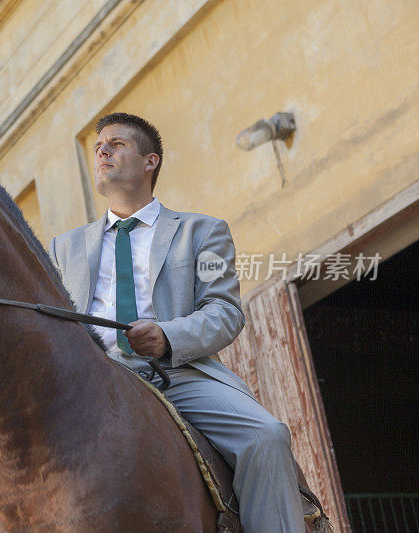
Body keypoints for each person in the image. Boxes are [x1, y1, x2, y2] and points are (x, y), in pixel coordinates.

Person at [49, 112, 305, 532]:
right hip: (89, 378)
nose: (103, 151)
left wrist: (168, 335)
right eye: (99, 148)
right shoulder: (64, 248)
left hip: (176, 374)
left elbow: (225, 312)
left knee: (267, 436)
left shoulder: (202, 232)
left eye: (117, 144)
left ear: (150, 162)